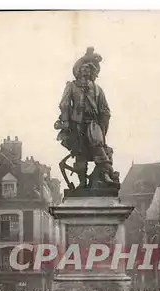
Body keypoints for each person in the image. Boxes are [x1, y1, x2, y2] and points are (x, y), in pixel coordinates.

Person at [54, 47, 120, 190]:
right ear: (78, 71)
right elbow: (64, 103)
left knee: (98, 147)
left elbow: (105, 109)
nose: (86, 72)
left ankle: (106, 173)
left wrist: (103, 125)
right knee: (80, 153)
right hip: (77, 124)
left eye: (89, 70)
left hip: (93, 124)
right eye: (83, 69)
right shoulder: (72, 86)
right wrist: (65, 121)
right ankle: (82, 183)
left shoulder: (97, 89)